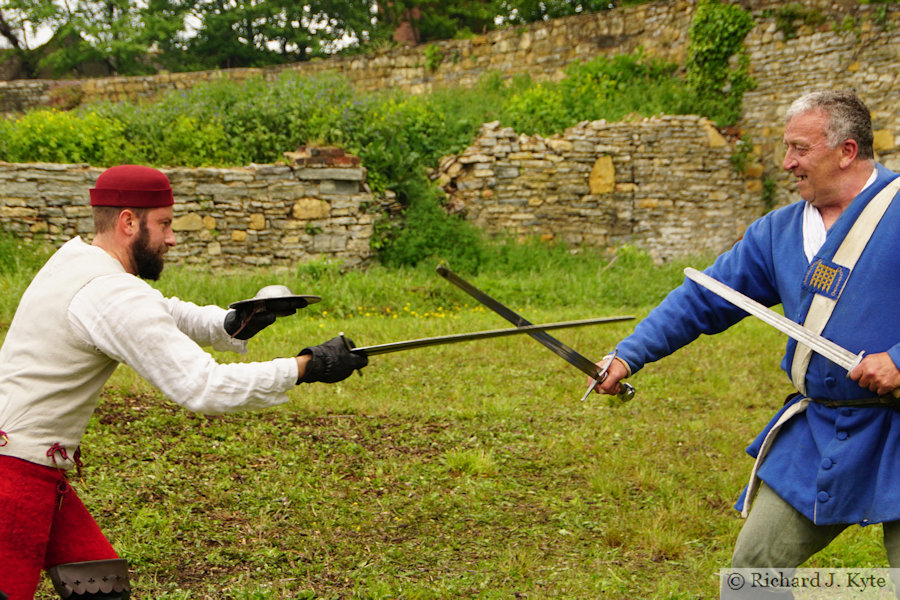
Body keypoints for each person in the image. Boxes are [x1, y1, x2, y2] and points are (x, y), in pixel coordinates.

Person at [0, 165, 368, 600]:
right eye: (166, 224)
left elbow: (160, 310)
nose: (172, 238)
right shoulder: (109, 292)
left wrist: (234, 322)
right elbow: (203, 387)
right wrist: (308, 365)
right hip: (14, 481)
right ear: (128, 222)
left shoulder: (79, 259)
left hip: (33, 467)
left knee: (102, 590)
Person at [591, 91, 900, 588]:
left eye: (799, 149)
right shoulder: (778, 232)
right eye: (786, 147)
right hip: (821, 428)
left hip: (898, 424)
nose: (786, 162)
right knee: (752, 574)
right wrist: (629, 355)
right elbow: (703, 299)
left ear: (845, 151)